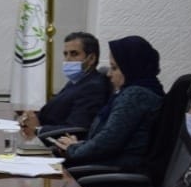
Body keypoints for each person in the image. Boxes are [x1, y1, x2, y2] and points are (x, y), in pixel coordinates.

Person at [54, 35, 164, 170]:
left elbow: (107, 142)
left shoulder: (136, 95)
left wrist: (73, 149)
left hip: (116, 170)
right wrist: (77, 146)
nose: (108, 74)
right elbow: (107, 138)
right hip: (107, 164)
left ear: (131, 68)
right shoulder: (137, 91)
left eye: (114, 68)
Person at [18, 31, 110, 136]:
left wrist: (38, 129)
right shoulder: (77, 81)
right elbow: (56, 111)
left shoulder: (93, 87)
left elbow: (77, 128)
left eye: (74, 54)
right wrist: (31, 117)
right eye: (65, 54)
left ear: (91, 58)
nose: (67, 59)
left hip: (56, 142)